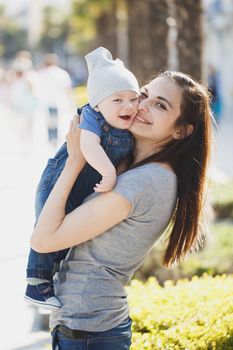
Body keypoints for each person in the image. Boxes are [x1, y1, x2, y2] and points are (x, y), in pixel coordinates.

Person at [30, 70, 213, 350]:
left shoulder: (147, 181)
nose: (142, 106)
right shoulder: (129, 167)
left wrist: (75, 162)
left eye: (160, 105)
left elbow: (43, 240)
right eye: (144, 94)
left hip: (89, 331)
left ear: (181, 130)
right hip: (86, 326)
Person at [25, 47, 139, 309]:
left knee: (65, 231)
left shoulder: (126, 121)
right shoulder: (91, 116)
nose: (128, 106)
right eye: (118, 100)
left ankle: (50, 278)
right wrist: (110, 172)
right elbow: (87, 146)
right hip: (59, 178)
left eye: (133, 99)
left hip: (84, 182)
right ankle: (35, 284)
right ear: (98, 103)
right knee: (46, 222)